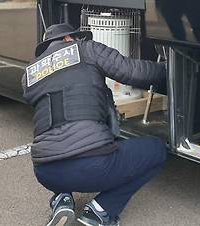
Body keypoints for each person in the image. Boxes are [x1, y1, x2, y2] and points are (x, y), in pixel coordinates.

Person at [22, 23, 167, 226]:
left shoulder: (29, 74)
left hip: (46, 173)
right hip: (92, 166)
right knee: (156, 149)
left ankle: (61, 199)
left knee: (57, 135)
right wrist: (167, 70)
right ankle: (100, 211)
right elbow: (134, 72)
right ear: (68, 39)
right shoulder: (86, 49)